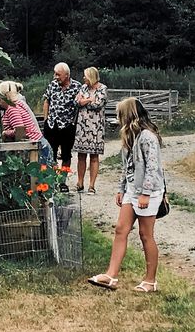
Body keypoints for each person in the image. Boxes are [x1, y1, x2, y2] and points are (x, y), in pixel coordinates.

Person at [88, 98, 164, 293]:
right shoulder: (130, 136)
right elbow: (127, 167)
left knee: (145, 235)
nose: (117, 118)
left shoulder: (147, 137)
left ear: (129, 115)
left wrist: (146, 193)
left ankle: (150, 280)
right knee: (121, 230)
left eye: (120, 113)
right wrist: (121, 189)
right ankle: (111, 275)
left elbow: (152, 167)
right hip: (132, 190)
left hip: (148, 192)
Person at [0, 80, 52, 165]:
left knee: (40, 174)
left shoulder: (12, 109)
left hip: (36, 147)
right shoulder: (19, 103)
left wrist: (5, 133)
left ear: (5, 97)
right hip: (40, 143)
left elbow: (20, 130)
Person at [41, 63, 81, 186]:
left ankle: (62, 181)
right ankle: (52, 181)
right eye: (55, 74)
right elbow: (46, 100)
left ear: (67, 75)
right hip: (52, 124)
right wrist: (46, 119)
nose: (55, 77)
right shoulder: (52, 85)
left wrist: (74, 122)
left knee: (66, 154)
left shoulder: (76, 87)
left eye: (58, 74)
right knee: (50, 153)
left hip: (67, 126)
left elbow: (79, 106)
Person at [74, 67, 108, 194]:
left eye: (85, 76)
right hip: (82, 126)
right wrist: (88, 99)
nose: (84, 79)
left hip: (96, 126)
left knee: (94, 156)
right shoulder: (83, 87)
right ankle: (80, 182)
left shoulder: (102, 89)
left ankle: (92, 185)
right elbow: (76, 102)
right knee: (81, 155)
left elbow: (97, 104)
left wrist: (84, 100)